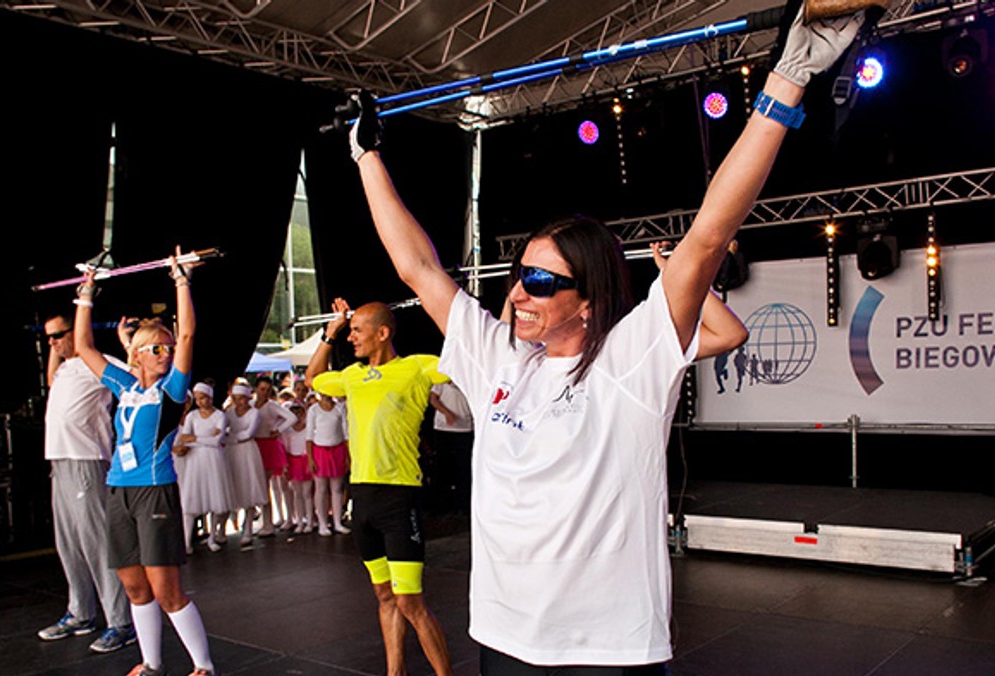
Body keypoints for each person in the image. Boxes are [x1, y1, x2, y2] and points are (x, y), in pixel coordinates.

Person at [341, 5, 863, 670]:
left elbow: (706, 236)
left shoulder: (628, 362)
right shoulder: (494, 352)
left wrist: (787, 80)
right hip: (501, 641)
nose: (519, 291)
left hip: (607, 652)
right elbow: (416, 264)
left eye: (540, 280)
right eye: (516, 274)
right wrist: (365, 155)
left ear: (588, 304)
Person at [72, 248, 215, 676]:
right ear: (136, 353)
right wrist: (87, 292)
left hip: (155, 490)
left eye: (166, 347)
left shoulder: (172, 390)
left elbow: (187, 336)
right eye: (156, 347)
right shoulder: (123, 383)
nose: (165, 352)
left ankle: (203, 667)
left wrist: (181, 281)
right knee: (134, 587)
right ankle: (151, 663)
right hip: (119, 491)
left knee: (166, 589)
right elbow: (81, 345)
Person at [306, 297, 453, 676]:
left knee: (410, 601)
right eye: (350, 331)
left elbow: (466, 362)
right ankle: (395, 672)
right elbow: (313, 378)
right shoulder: (352, 375)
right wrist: (331, 332)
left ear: (382, 333)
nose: (351, 338)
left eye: (357, 330)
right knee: (384, 595)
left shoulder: (417, 367)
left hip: (399, 496)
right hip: (364, 497)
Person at [34, 312, 136, 653]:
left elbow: (134, 379)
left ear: (77, 333)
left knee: (97, 544)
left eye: (57, 335)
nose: (52, 342)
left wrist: (127, 341)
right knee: (69, 545)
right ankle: (80, 613)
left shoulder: (98, 362)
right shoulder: (63, 368)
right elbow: (51, 378)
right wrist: (55, 346)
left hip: (86, 463)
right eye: (48, 337)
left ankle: (120, 622)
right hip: (59, 462)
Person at [175, 380, 234, 552]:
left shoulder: (220, 416)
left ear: (210, 397)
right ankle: (186, 542)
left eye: (203, 398)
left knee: (216, 499)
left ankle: (212, 537)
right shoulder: (192, 416)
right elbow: (185, 437)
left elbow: (217, 441)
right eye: (198, 399)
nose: (200, 402)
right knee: (191, 498)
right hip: (196, 460)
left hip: (213, 459)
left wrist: (196, 439)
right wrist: (203, 439)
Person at [223, 381, 268, 546]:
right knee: (231, 484)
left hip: (248, 451)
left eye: (241, 398)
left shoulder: (254, 413)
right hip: (232, 452)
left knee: (250, 486)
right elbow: (221, 430)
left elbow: (248, 434)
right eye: (235, 399)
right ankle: (221, 529)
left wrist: (231, 438)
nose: (238, 402)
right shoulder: (229, 412)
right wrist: (230, 438)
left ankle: (248, 527)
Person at [251, 375, 297, 534]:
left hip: (268, 446)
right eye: (262, 389)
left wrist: (278, 430)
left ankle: (268, 523)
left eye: (267, 390)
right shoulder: (250, 405)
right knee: (257, 485)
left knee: (264, 486)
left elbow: (292, 417)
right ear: (255, 389)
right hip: (254, 445)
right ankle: (261, 521)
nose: (264, 392)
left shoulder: (272, 406)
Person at [307, 391, 350, 537]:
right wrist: (310, 458)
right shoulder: (313, 409)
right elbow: (309, 435)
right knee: (321, 488)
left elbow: (346, 433)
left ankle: (337, 522)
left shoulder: (339, 408)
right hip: (320, 451)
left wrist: (347, 456)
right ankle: (323, 523)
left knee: (337, 488)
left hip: (338, 450)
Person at [427, 379, 473, 515]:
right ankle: (440, 506)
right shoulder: (443, 378)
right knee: (442, 467)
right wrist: (446, 412)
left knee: (464, 469)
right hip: (443, 427)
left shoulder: (469, 378)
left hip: (465, 428)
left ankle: (463, 506)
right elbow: (433, 399)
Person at [279, 400, 314, 533]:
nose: (298, 417)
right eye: (294, 414)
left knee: (307, 493)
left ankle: (309, 521)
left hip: (305, 460)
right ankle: (299, 521)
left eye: (300, 413)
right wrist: (285, 467)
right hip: (293, 462)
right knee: (297, 493)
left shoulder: (308, 429)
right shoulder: (287, 432)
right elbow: (285, 449)